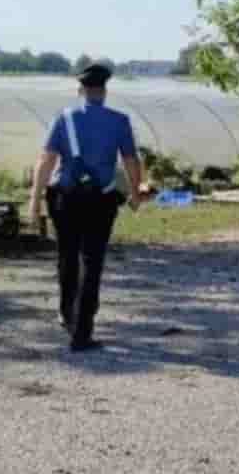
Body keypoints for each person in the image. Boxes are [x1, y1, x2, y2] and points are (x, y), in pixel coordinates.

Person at [28, 64, 146, 352]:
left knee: (67, 255)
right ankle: (82, 333)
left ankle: (67, 313)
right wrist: (135, 194)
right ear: (104, 91)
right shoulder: (119, 121)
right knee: (92, 263)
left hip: (64, 198)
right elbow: (131, 161)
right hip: (100, 201)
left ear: (80, 90)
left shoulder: (64, 118)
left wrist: (34, 199)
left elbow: (46, 160)